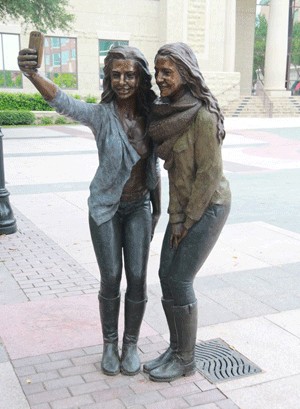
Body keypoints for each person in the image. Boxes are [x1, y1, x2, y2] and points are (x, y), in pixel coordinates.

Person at [18, 45, 161, 376]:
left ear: (140, 78)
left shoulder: (154, 114)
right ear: (109, 78)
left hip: (139, 205)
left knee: (138, 278)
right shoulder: (101, 115)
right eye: (116, 75)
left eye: (130, 74)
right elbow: (64, 102)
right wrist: (33, 74)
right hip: (105, 209)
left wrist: (156, 210)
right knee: (111, 277)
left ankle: (130, 345)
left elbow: (154, 166)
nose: (123, 81)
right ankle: (109, 344)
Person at [143, 42, 231, 382]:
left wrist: (186, 221)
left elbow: (208, 175)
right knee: (166, 276)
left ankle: (186, 358)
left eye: (168, 71)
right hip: (182, 209)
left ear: (186, 73)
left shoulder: (202, 116)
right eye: (158, 71)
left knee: (179, 280)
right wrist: (175, 217)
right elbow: (177, 174)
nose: (161, 78)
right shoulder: (167, 112)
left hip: (207, 206)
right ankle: (176, 346)